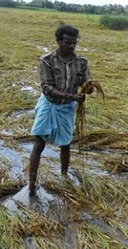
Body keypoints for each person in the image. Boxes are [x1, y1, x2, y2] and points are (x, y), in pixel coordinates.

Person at [29, 24, 90, 196]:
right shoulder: (46, 60)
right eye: (67, 42)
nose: (71, 46)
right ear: (59, 41)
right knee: (39, 143)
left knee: (65, 143)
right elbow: (47, 87)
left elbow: (86, 84)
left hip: (66, 109)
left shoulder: (81, 63)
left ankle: (64, 176)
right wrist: (72, 96)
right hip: (48, 105)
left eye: (74, 43)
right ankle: (31, 184)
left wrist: (89, 87)